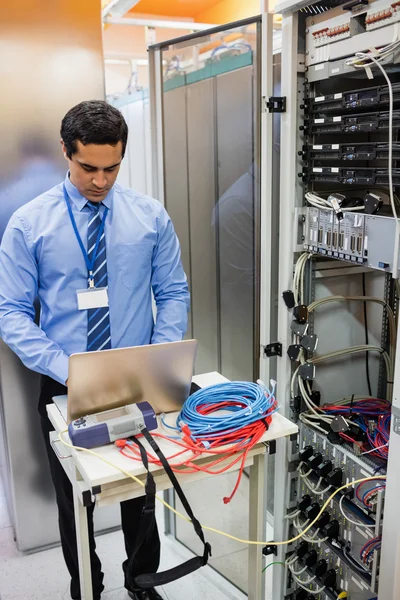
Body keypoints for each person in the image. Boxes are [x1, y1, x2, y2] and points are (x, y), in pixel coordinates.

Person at [0, 100, 190, 600]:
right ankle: (86, 584)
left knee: (145, 490)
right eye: (88, 167)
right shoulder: (29, 224)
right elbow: (11, 311)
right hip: (64, 383)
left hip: (136, 378)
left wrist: (158, 359)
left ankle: (142, 582)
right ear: (66, 151)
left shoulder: (149, 217)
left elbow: (172, 291)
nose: (100, 181)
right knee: (75, 497)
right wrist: (65, 367)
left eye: (112, 168)